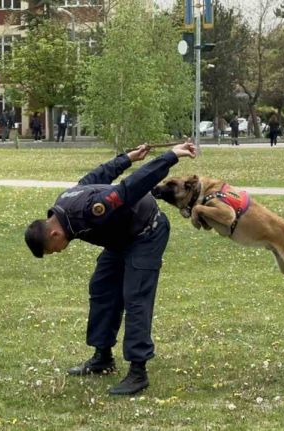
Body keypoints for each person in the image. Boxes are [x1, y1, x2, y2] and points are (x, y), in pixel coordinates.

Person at [24, 141, 197, 396]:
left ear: (53, 232)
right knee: (102, 288)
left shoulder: (90, 212)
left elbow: (131, 187)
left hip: (146, 232)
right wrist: (127, 157)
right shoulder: (64, 205)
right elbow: (97, 176)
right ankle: (102, 357)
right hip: (120, 239)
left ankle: (138, 372)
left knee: (136, 296)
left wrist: (170, 157)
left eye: (53, 248)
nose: (58, 251)